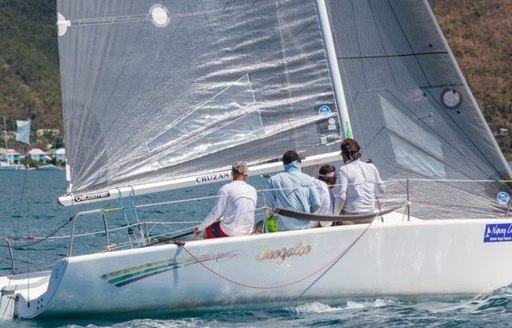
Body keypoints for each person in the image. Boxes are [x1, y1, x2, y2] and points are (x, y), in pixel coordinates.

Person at [259, 150, 320, 232]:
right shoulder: (307, 178)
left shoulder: (273, 180)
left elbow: (268, 207)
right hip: (304, 226)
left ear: (284, 164)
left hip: (284, 228)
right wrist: (306, 214)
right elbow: (317, 204)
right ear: (298, 163)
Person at [194, 161, 257, 239]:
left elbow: (216, 212)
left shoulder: (226, 188)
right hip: (247, 232)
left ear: (232, 174)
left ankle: (205, 250)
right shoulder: (253, 190)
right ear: (246, 175)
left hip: (230, 232)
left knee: (208, 227)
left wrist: (200, 228)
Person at [333, 138, 385, 216]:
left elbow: (341, 196)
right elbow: (382, 191)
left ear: (344, 155)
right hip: (370, 215)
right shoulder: (371, 167)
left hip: (352, 217)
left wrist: (334, 217)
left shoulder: (343, 170)